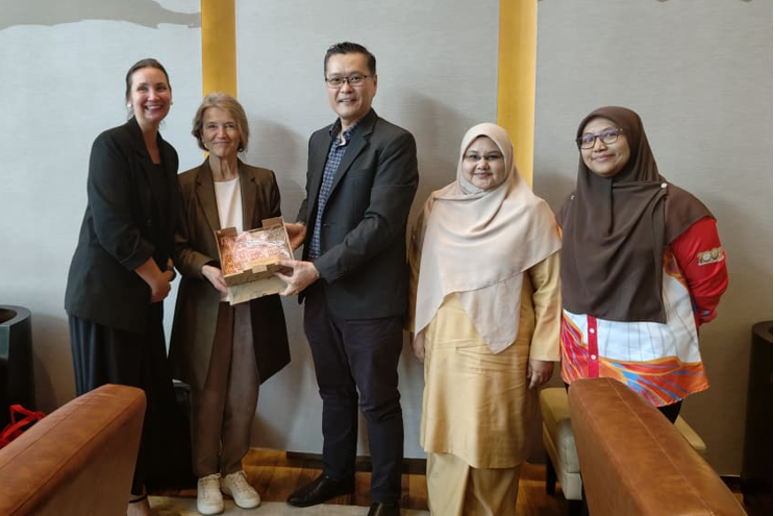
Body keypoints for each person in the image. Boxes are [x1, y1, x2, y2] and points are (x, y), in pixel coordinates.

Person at [275, 42, 418, 516]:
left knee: (378, 400)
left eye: (355, 77)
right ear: (326, 86)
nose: (345, 88)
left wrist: (318, 266)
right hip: (319, 296)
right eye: (336, 79)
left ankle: (385, 498)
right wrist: (299, 229)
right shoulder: (320, 139)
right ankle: (336, 475)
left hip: (369, 299)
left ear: (374, 83)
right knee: (333, 393)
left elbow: (381, 224)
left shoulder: (395, 142)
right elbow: (320, 204)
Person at [408, 123, 562, 516]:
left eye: (492, 156)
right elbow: (418, 270)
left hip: (504, 346)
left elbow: (550, 287)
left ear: (507, 160)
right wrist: (418, 327)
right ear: (461, 160)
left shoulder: (531, 211)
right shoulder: (438, 205)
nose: (482, 165)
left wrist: (545, 351)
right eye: (473, 156)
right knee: (445, 438)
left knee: (494, 439)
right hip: (446, 340)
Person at [558, 106, 729, 422]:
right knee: (591, 455)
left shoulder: (677, 207)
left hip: (649, 364)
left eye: (610, 134)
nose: (598, 146)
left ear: (635, 139)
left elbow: (709, 286)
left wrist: (683, 323)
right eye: (587, 139)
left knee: (644, 461)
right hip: (583, 357)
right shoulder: (571, 207)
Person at [64, 58, 179, 516]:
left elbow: (163, 223)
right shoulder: (110, 145)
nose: (153, 96)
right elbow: (113, 226)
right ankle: (116, 497)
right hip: (105, 298)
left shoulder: (167, 154)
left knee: (143, 396)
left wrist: (169, 269)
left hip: (145, 298)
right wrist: (155, 277)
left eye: (161, 87)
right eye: (143, 88)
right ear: (129, 97)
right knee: (108, 404)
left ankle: (136, 486)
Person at [169, 93, 291, 515]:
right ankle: (206, 475)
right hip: (205, 301)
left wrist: (282, 244)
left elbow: (272, 238)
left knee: (244, 388)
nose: (221, 134)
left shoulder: (263, 178)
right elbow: (177, 246)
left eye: (229, 125)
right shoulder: (184, 184)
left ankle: (233, 468)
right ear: (200, 134)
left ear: (242, 134)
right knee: (207, 389)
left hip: (253, 299)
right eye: (212, 126)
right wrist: (205, 269)